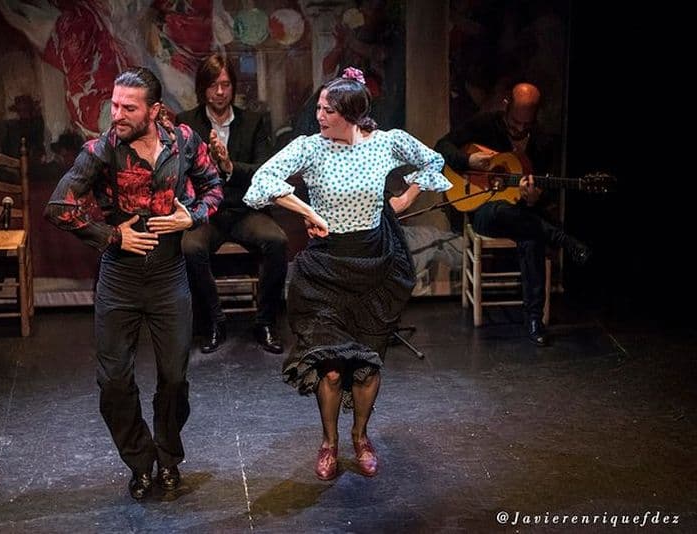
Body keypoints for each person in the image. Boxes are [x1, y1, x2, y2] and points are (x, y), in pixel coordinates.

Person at [243, 67, 451, 480]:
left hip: (374, 265)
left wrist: (403, 197)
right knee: (332, 366)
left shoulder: (386, 144)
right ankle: (329, 442)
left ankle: (360, 437)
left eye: (329, 110)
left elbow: (434, 160)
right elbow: (262, 180)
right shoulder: (311, 148)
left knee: (367, 366)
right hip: (325, 266)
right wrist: (308, 211)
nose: (320, 116)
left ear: (353, 114)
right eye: (319, 107)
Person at [44, 67, 223, 499]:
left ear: (154, 110)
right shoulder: (101, 150)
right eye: (114, 104)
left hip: (168, 275)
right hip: (121, 278)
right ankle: (140, 460)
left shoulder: (183, 141)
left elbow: (214, 185)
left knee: (175, 379)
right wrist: (112, 235)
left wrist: (192, 215)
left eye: (128, 107)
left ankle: (167, 456)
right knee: (114, 382)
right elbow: (57, 207)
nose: (117, 114)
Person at [434, 82, 591, 346]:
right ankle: (563, 239)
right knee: (501, 211)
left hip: (522, 215)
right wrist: (468, 161)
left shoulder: (541, 142)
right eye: (514, 123)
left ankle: (533, 319)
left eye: (525, 126)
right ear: (507, 106)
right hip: (484, 211)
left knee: (531, 236)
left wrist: (532, 198)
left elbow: (543, 193)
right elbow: (442, 146)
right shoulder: (486, 124)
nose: (519, 130)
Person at [176, 54, 288, 354]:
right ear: (203, 88)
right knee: (189, 248)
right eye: (213, 85)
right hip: (206, 213)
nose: (220, 92)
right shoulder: (186, 122)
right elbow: (178, 172)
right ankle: (214, 321)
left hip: (244, 210)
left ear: (233, 87)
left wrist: (228, 165)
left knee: (277, 241)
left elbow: (265, 171)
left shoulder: (253, 122)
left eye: (225, 84)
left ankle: (265, 322)